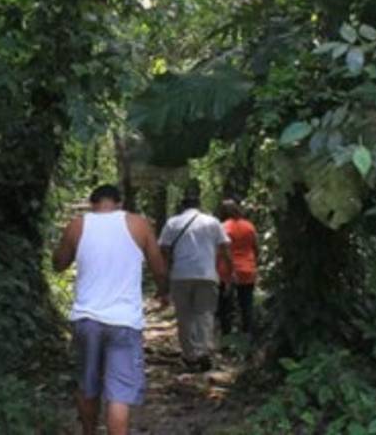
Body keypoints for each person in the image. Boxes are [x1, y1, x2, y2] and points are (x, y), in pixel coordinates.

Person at [53, 184, 167, 435]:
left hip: (87, 320)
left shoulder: (78, 225)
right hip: (124, 321)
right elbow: (159, 267)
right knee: (119, 395)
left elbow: (59, 263)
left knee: (87, 385)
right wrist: (163, 292)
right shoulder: (138, 224)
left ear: (93, 204)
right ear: (119, 203)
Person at [158, 181, 232, 371]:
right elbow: (224, 249)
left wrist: (163, 279)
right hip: (207, 274)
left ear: (182, 206)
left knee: (185, 315)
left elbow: (164, 251)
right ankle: (203, 351)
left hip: (180, 275)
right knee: (205, 313)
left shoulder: (173, 223)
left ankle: (190, 355)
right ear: (199, 205)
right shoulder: (212, 222)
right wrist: (230, 273)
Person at [216, 199, 259, 336]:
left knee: (225, 305)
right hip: (247, 269)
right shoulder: (249, 226)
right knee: (246, 304)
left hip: (227, 272)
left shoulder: (222, 227)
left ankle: (226, 336)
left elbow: (220, 251)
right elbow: (256, 247)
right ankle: (247, 336)